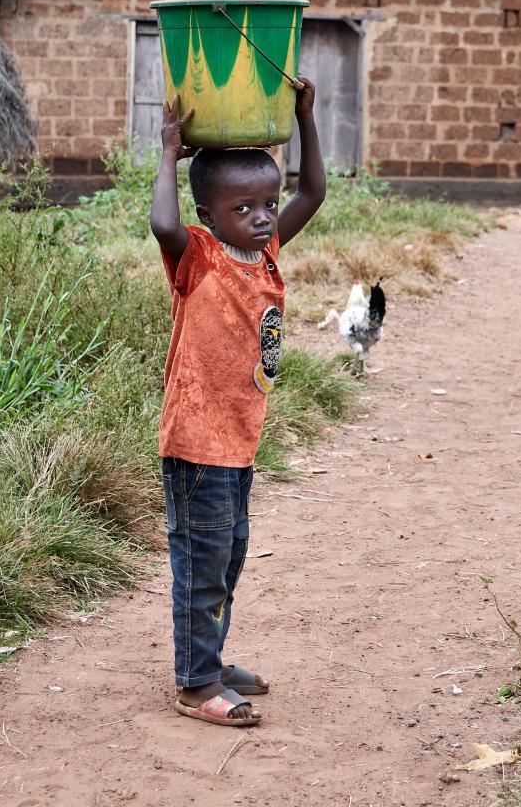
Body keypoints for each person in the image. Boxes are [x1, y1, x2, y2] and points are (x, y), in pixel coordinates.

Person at [150, 77, 325, 726]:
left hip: (238, 436)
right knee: (201, 560)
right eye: (243, 207)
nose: (262, 216)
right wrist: (169, 151)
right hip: (198, 439)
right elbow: (161, 221)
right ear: (210, 217)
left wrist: (306, 117)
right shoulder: (198, 258)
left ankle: (211, 657)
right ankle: (195, 684)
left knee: (227, 556)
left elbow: (313, 192)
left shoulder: (267, 251)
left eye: (266, 204)